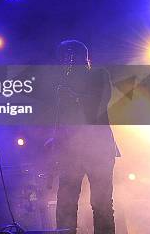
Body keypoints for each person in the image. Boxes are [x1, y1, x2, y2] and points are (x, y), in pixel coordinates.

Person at [47, 40, 118, 234]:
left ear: (81, 57)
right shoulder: (64, 84)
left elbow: (100, 105)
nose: (65, 62)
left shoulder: (99, 74)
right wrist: (56, 139)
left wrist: (74, 96)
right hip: (71, 153)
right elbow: (64, 119)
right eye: (62, 57)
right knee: (65, 205)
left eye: (69, 56)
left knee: (101, 204)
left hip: (99, 150)